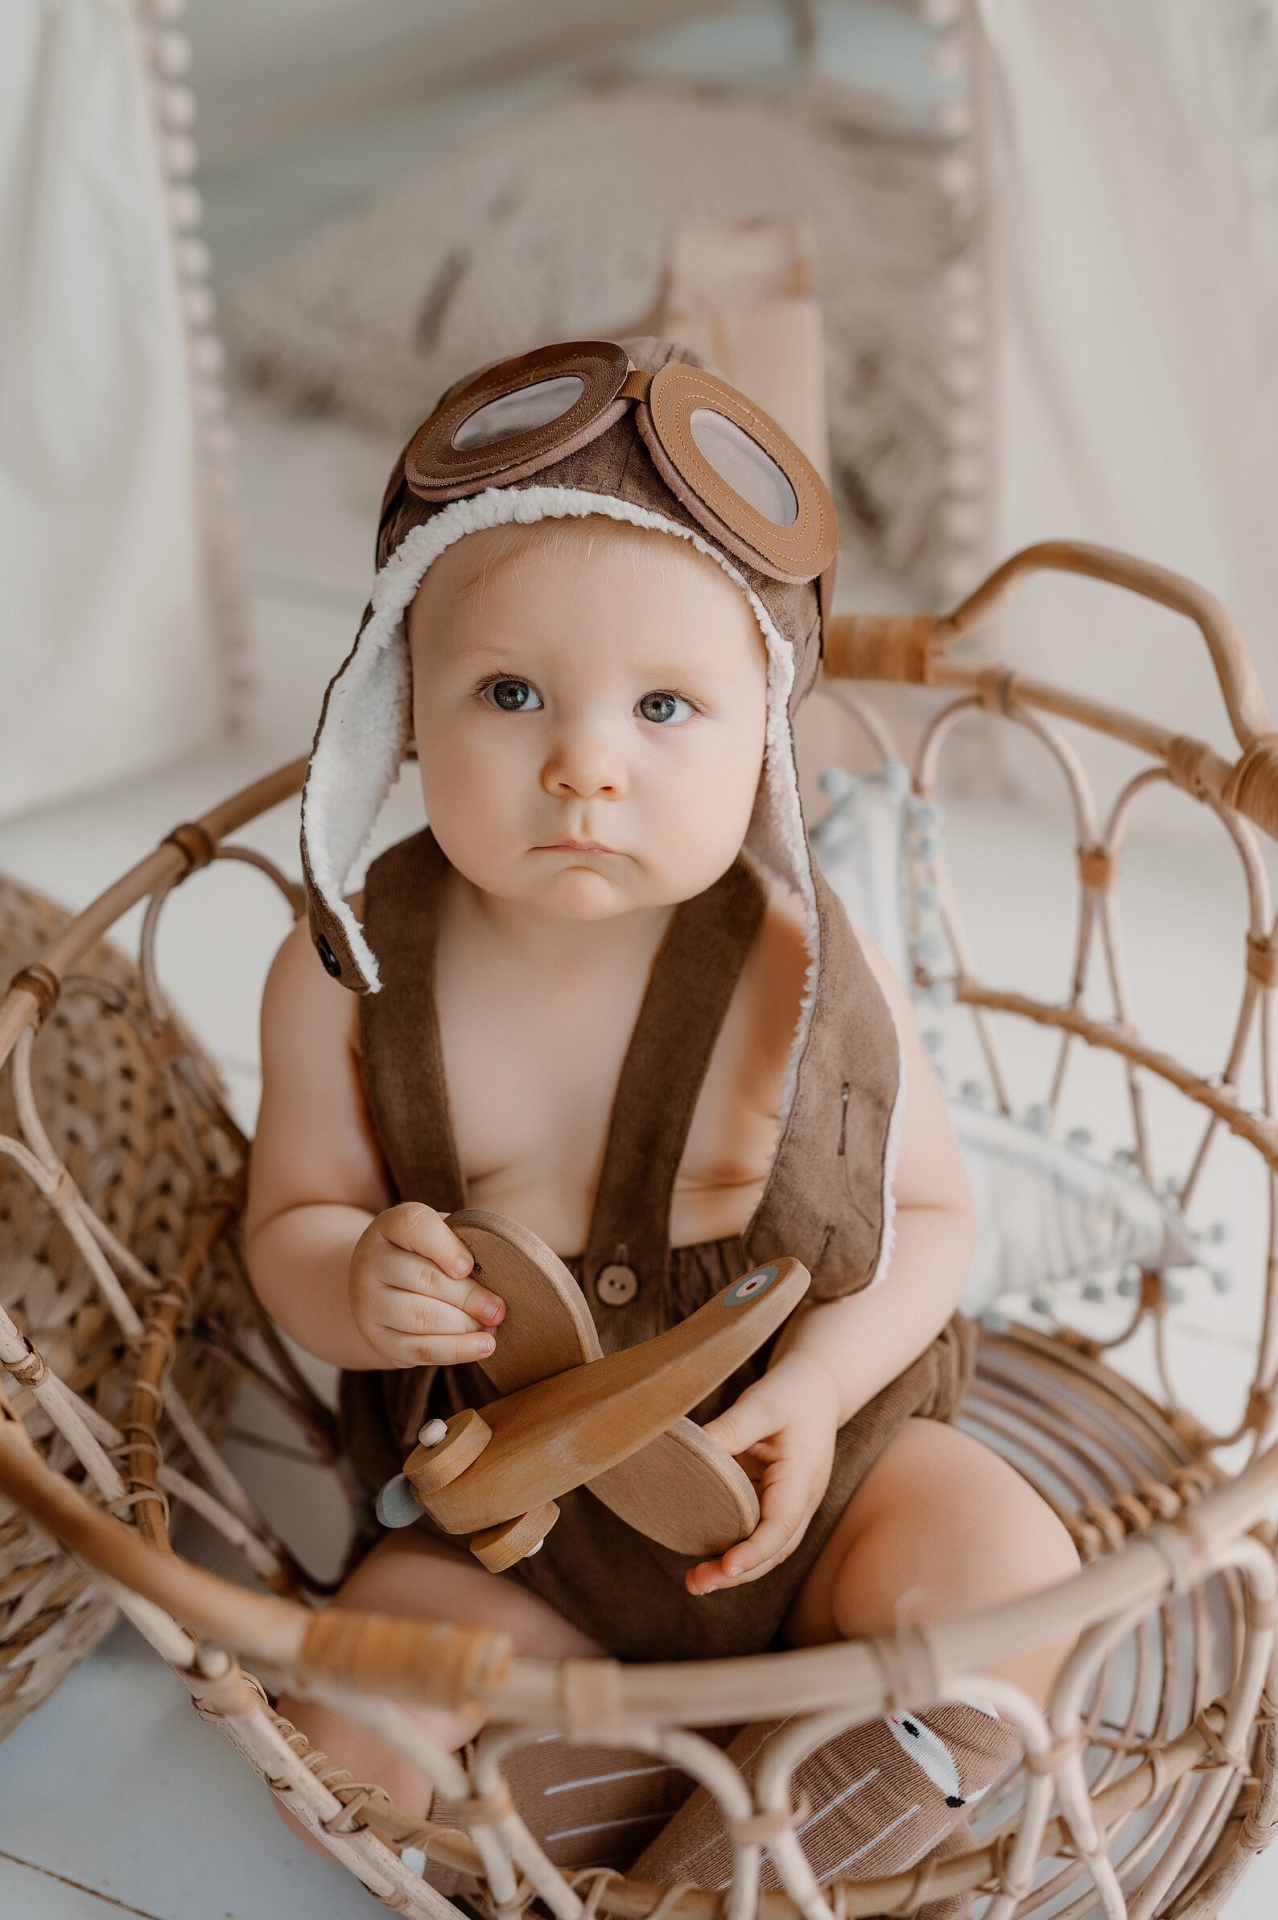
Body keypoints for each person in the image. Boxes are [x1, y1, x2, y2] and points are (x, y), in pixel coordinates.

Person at [246, 339, 1078, 1907]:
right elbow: (285, 1226)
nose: (583, 764)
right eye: (508, 693)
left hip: (820, 1475)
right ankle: (741, 1783)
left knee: (1006, 1577)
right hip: (515, 1524)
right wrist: (353, 1276)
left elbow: (937, 1223)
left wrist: (827, 1389)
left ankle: (725, 1844)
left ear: (760, 727)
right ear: (401, 704)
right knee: (339, 1730)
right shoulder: (345, 970)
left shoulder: (802, 957)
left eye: (664, 707)